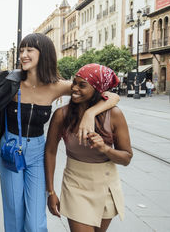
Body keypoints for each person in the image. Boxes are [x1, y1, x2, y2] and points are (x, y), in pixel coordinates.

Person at [0, 33, 120, 232]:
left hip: (37, 152)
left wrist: (90, 113)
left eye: (29, 50)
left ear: (44, 54)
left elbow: (111, 96)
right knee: (15, 216)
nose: (23, 55)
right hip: (10, 148)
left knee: (35, 223)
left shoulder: (57, 86)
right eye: (21, 50)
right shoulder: (8, 80)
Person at [45, 64, 133, 232]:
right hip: (75, 184)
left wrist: (105, 149)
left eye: (82, 85)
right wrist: (50, 192)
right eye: (74, 83)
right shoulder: (61, 115)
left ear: (97, 89)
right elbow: (50, 151)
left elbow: (127, 158)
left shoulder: (114, 115)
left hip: (106, 184)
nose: (74, 88)